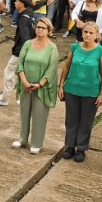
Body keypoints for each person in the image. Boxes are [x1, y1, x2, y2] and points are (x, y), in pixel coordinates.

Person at [57, 21, 102, 162]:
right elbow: (66, 67)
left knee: (86, 121)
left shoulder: (101, 51)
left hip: (91, 92)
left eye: (91, 33)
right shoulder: (74, 47)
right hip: (72, 89)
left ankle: (81, 148)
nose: (87, 34)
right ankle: (69, 146)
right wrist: (61, 86)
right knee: (71, 120)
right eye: (85, 32)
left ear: (97, 35)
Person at [13, 17, 59, 154]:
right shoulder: (28, 44)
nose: (40, 30)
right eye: (38, 27)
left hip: (41, 88)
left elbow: (52, 69)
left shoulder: (52, 48)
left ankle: (36, 143)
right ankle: (22, 139)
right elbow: (20, 64)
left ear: (49, 30)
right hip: (26, 85)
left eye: (43, 28)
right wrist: (24, 82)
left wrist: (40, 84)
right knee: (24, 112)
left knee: (39, 115)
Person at [0, 0, 36, 106]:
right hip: (30, 51)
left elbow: (25, 38)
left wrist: (23, 53)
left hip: (21, 52)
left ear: (22, 4)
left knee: (9, 73)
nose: (15, 3)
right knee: (24, 75)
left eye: (17, 1)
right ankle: (24, 98)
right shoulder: (31, 14)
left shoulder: (23, 19)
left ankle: (4, 99)